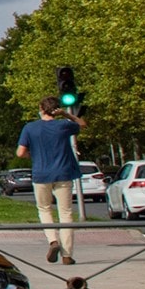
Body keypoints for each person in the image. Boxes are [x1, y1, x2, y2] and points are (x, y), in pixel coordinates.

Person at [16, 95, 87, 264]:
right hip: (63, 173)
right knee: (66, 213)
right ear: (57, 109)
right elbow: (82, 124)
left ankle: (52, 240)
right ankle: (67, 255)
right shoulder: (64, 125)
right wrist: (67, 115)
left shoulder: (30, 128)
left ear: (41, 109)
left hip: (41, 174)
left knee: (44, 209)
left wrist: (32, 155)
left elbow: (20, 152)